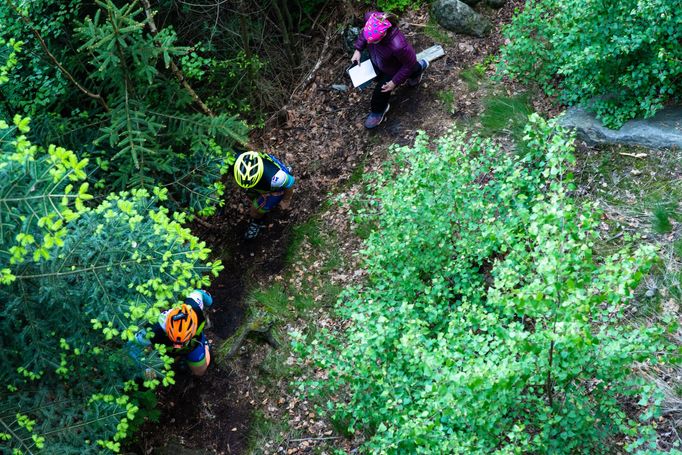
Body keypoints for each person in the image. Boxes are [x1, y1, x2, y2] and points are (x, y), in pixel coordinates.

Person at [351, 12, 429, 129]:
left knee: (381, 90)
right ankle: (420, 67)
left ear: (383, 34)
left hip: (394, 68)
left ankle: (378, 111)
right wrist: (358, 49)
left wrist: (394, 82)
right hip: (380, 61)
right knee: (409, 69)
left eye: (373, 41)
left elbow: (409, 63)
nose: (369, 43)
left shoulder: (398, 45)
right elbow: (365, 34)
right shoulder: (372, 19)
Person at [133, 289, 214, 377]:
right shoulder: (152, 330)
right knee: (149, 376)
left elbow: (206, 297)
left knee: (199, 372)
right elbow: (133, 345)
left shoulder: (194, 302)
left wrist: (208, 301)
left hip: (194, 344)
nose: (181, 344)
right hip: (168, 351)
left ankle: (205, 345)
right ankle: (179, 359)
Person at [233, 151, 295, 240]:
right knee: (251, 195)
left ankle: (257, 222)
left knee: (255, 210)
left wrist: (286, 200)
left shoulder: (275, 177)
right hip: (260, 185)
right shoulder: (234, 160)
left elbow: (290, 183)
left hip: (275, 188)